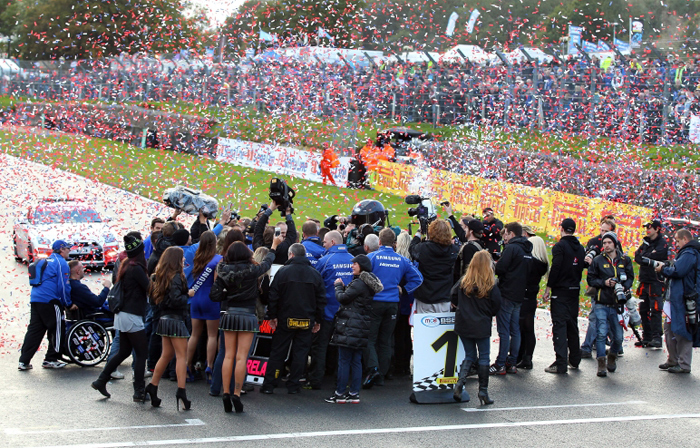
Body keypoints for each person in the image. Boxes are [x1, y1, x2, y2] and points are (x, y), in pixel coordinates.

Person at [210, 239, 278, 413]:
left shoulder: (222, 269)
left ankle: (225, 392)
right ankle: (236, 393)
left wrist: (227, 292)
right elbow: (267, 262)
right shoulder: (252, 270)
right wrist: (274, 247)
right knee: (242, 357)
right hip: (247, 314)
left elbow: (214, 295)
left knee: (227, 356)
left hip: (230, 313)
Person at [261, 243, 326, 394]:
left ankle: (270, 384)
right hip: (306, 319)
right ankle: (294, 385)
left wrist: (272, 315)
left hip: (285, 318)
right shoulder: (314, 274)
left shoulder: (283, 272)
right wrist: (318, 320)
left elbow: (273, 295)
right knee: (300, 353)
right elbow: (321, 300)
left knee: (278, 352)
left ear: (291, 255)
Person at [91, 233, 150, 400]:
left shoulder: (126, 265)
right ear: (139, 252)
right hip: (132, 314)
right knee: (141, 353)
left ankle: (101, 380)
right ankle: (139, 391)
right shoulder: (136, 268)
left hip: (122, 313)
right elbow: (149, 289)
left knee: (123, 351)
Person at [363, 228, 423, 389]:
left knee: (370, 339)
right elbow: (418, 278)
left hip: (375, 302)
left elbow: (361, 275)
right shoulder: (401, 260)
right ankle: (382, 375)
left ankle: (373, 369)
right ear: (394, 243)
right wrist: (404, 289)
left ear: (380, 242)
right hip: (393, 303)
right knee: (385, 340)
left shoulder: (372, 257)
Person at [326, 255, 383, 403]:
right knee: (356, 360)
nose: (352, 266)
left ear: (362, 266)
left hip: (350, 325)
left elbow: (343, 298)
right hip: (361, 325)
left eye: (355, 264)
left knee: (344, 360)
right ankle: (354, 393)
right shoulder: (367, 283)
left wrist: (338, 286)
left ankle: (339, 394)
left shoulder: (358, 283)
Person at [145, 246, 193, 410]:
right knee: (181, 357)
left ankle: (153, 385)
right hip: (176, 319)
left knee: (165, 355)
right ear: (176, 260)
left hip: (164, 319)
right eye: (182, 258)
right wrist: (188, 295)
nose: (184, 260)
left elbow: (154, 300)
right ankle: (181, 391)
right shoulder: (176, 277)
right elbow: (176, 299)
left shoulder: (157, 276)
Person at [451, 250, 501, 405]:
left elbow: (452, 295)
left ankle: (460, 383)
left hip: (464, 322)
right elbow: (496, 305)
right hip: (481, 323)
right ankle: (483, 392)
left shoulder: (464, 281)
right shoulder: (490, 284)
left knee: (470, 355)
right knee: (484, 356)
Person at [306, 230, 354, 390]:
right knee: (342, 348)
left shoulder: (325, 260)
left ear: (333, 242)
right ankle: (338, 379)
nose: (323, 245)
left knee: (321, 346)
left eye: (324, 242)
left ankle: (316, 380)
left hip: (327, 311)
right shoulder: (353, 261)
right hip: (348, 313)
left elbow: (315, 284)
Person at [19, 240, 74, 371]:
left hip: (36, 298)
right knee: (57, 328)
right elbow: (63, 285)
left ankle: (24, 361)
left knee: (34, 330)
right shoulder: (61, 263)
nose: (69, 251)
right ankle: (51, 359)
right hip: (50, 300)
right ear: (61, 250)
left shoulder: (45, 261)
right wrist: (68, 303)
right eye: (67, 249)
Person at [587, 232, 634, 377]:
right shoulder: (598, 260)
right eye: (604, 243)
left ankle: (612, 357)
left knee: (618, 337)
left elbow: (630, 277)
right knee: (601, 333)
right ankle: (601, 363)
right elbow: (591, 279)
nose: (606, 245)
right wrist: (604, 283)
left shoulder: (625, 260)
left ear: (615, 243)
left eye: (609, 242)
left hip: (617, 304)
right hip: (601, 302)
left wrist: (623, 286)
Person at [542, 218, 585, 374]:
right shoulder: (580, 248)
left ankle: (561, 362)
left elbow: (556, 267)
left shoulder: (560, 246)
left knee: (559, 325)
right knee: (572, 325)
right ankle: (574, 358)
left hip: (560, 290)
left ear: (562, 229)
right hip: (574, 289)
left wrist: (549, 287)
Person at [655, 229, 700, 373]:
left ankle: (684, 364)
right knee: (669, 329)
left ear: (685, 239)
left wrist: (663, 269)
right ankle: (673, 359)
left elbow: (678, 271)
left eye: (677, 240)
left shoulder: (689, 253)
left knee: (683, 330)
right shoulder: (687, 252)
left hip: (684, 297)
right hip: (677, 297)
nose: (676, 243)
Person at [491, 222, 532, 375]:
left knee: (504, 330)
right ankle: (512, 362)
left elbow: (500, 268)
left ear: (512, 234)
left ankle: (500, 363)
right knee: (515, 329)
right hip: (520, 294)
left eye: (506, 234)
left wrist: (494, 264)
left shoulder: (512, 248)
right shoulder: (527, 250)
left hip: (507, 292)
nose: (505, 237)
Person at [186, 231, 222, 385]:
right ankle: (210, 366)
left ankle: (187, 366)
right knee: (212, 335)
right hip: (210, 299)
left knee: (194, 335)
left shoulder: (196, 258)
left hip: (196, 298)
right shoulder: (218, 259)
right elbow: (216, 283)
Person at [580, 217, 616, 358]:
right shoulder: (594, 242)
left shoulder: (616, 247)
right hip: (598, 287)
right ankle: (587, 346)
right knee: (596, 316)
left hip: (612, 289)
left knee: (611, 318)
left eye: (606, 231)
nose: (602, 234)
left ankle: (615, 345)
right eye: (601, 231)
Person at [409, 219, 460, 313]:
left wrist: (419, 231)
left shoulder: (424, 248)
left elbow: (412, 248)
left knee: (425, 326)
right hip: (444, 297)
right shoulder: (454, 250)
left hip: (426, 297)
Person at [516, 232, 550, 370]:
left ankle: (519, 356)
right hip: (531, 297)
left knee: (520, 328)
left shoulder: (530, 262)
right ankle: (527, 357)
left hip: (523, 296)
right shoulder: (542, 264)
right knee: (529, 329)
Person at [634, 220, 669, 348]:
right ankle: (647, 336)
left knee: (655, 309)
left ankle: (657, 337)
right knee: (643, 309)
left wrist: (646, 257)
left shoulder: (662, 243)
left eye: (649, 228)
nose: (647, 230)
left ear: (657, 229)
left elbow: (656, 256)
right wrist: (647, 257)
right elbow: (638, 257)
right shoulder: (645, 242)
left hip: (655, 281)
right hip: (644, 279)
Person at [393, 231, 416, 377]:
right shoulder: (413, 261)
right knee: (406, 334)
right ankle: (405, 366)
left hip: (399, 301)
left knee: (397, 334)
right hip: (409, 303)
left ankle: (397, 365)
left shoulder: (398, 261)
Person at [453, 220, 485, 284]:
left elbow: (466, 270)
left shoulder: (468, 248)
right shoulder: (481, 245)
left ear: (471, 231)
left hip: (466, 285)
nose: (465, 230)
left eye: (467, 228)